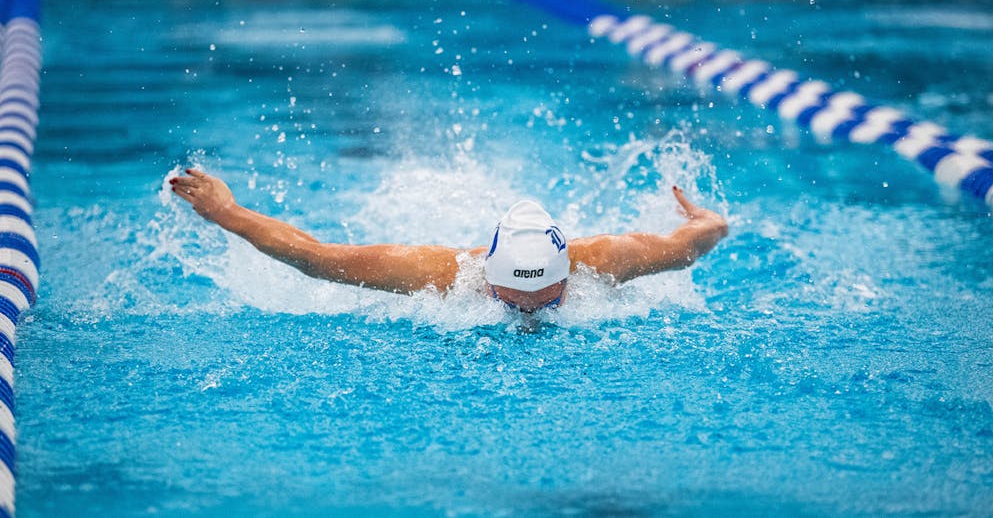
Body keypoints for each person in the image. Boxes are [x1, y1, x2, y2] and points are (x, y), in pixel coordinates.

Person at [170, 169, 728, 313]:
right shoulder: (435, 273)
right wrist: (227, 210)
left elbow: (692, 243)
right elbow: (318, 259)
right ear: (487, 277)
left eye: (548, 300)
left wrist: (710, 222)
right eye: (512, 301)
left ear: (567, 275)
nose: (530, 315)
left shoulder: (602, 261)